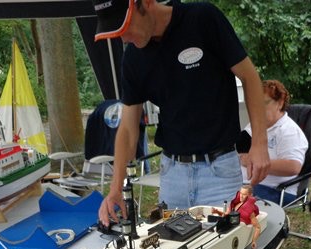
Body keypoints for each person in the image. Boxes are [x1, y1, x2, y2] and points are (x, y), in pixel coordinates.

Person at [91, 0, 270, 226]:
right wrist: (116, 187)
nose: (124, 38)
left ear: (146, 3)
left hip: (219, 172)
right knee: (172, 243)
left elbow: (249, 77)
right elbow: (127, 129)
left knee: (224, 243)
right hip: (172, 176)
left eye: (125, 27)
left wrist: (260, 143)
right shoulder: (133, 58)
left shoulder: (203, 19)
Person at [239, 79, 308, 205]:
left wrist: (255, 163)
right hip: (246, 184)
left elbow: (293, 167)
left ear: (280, 103)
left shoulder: (289, 131)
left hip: (276, 190)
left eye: (264, 103)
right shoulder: (254, 127)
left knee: (228, 200)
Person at [212, 184, 261, 249]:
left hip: (237, 230)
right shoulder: (235, 204)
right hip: (227, 227)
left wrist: (254, 241)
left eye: (244, 194)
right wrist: (217, 212)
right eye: (240, 193)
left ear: (250, 195)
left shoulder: (249, 211)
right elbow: (226, 215)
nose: (241, 196)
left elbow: (258, 227)